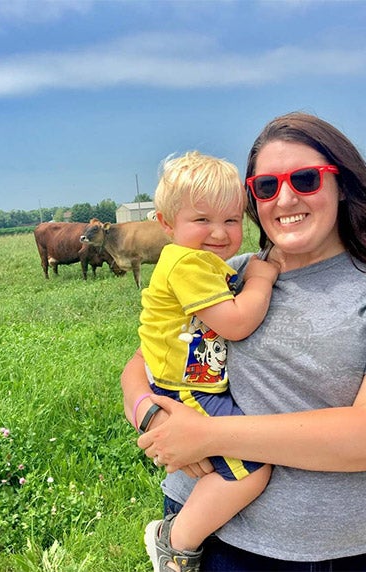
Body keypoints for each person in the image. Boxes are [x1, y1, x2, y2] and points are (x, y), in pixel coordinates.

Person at [122, 112, 366, 571]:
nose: (286, 197)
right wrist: (153, 416)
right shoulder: (229, 272)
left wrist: (206, 436)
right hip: (211, 545)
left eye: (305, 178)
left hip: (342, 558)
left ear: (343, 184)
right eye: (265, 186)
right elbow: (143, 362)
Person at [135, 151, 278, 572]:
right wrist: (261, 278)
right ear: (167, 223)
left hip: (189, 378)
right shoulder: (187, 263)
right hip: (187, 387)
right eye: (202, 220)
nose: (220, 233)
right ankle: (175, 542)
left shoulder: (201, 262)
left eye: (232, 220)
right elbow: (235, 322)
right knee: (251, 467)